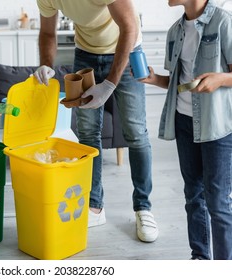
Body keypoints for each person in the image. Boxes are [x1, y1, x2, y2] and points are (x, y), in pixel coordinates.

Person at [33, 0, 159, 242]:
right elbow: (48, 32)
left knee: (136, 133)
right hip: (87, 54)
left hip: (128, 49)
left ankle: (143, 207)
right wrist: (46, 65)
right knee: (88, 134)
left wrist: (110, 84)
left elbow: (129, 28)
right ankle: (94, 206)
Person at [140, 0, 232, 259]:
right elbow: (180, 83)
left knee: (219, 202)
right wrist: (154, 79)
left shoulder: (224, 22)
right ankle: (200, 257)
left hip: (218, 126)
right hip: (184, 122)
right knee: (193, 195)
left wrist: (220, 79)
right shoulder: (175, 31)